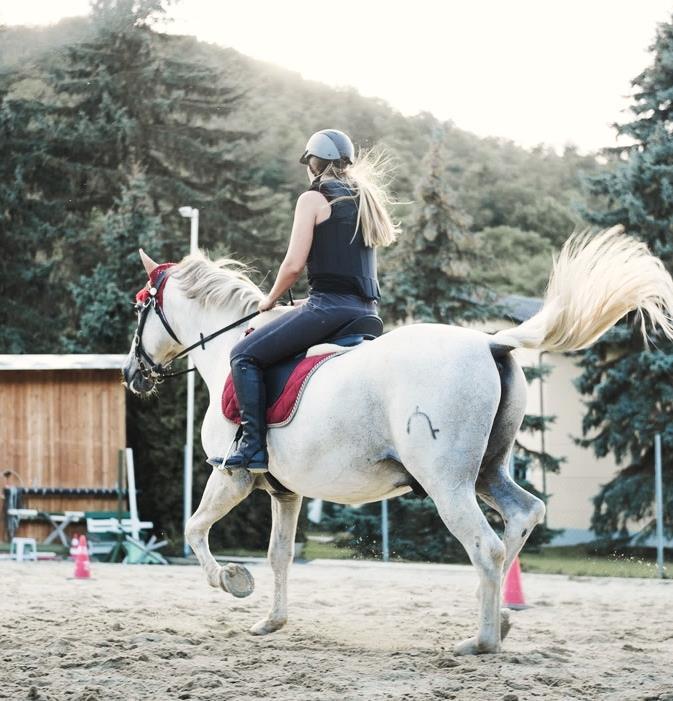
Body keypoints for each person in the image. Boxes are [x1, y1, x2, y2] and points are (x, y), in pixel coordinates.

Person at [225, 128, 399, 473]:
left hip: (330, 311)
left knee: (242, 355)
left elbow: (292, 266)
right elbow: (344, 275)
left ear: (313, 163)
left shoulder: (313, 198)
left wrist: (269, 301)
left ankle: (253, 448)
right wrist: (306, 302)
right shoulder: (363, 198)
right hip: (366, 313)